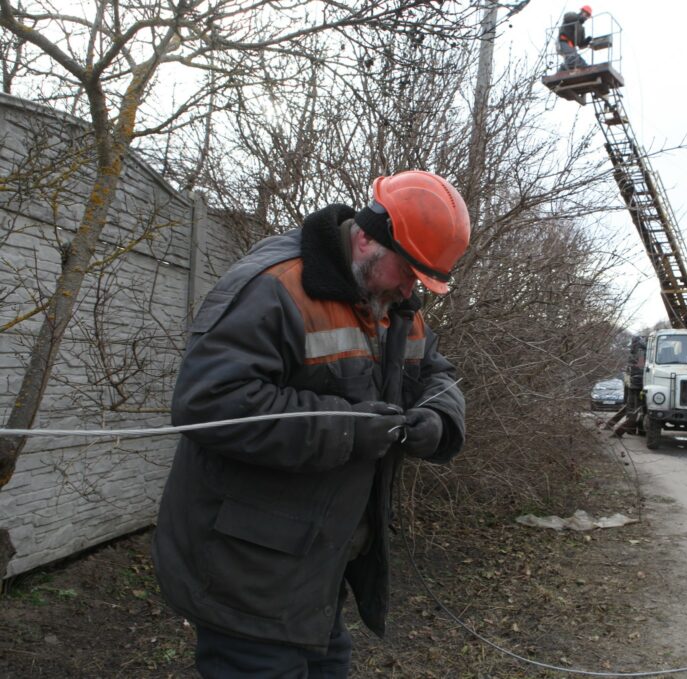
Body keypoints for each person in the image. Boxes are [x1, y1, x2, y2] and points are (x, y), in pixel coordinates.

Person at [152, 170, 471, 678]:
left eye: (422, 278)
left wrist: (438, 419)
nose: (412, 287)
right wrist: (348, 430)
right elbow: (208, 403)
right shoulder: (276, 287)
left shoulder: (397, 305)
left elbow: (437, 374)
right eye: (407, 270)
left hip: (319, 572)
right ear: (367, 236)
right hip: (249, 576)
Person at [557, 5, 592, 71]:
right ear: (582, 11)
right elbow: (566, 16)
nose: (586, 17)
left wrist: (587, 41)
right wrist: (578, 17)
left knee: (583, 64)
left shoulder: (581, 29)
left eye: (588, 16)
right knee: (572, 60)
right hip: (563, 42)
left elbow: (580, 45)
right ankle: (562, 69)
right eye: (586, 14)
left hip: (571, 47)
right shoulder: (572, 16)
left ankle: (563, 69)